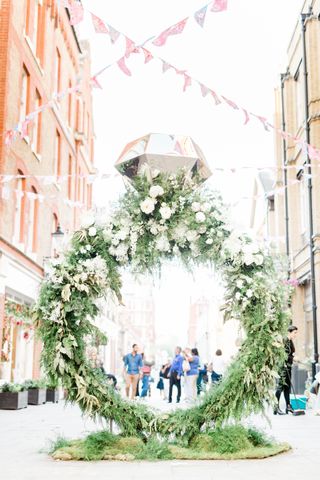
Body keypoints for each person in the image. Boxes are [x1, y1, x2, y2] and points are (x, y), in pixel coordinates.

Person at [274, 325, 298, 415]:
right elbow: (281, 354)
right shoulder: (284, 340)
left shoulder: (290, 341)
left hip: (288, 366)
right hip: (283, 367)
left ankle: (288, 406)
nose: (296, 334)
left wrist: (294, 357)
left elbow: (290, 354)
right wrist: (289, 359)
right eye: (294, 333)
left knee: (287, 387)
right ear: (289, 332)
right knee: (280, 386)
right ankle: (276, 407)